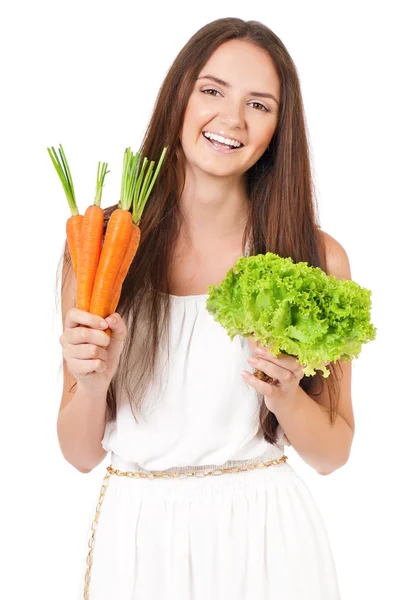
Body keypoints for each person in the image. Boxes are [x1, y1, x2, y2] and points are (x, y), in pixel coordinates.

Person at [57, 17, 354, 600]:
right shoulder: (100, 248)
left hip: (269, 539)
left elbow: (333, 453)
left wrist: (285, 393)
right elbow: (78, 454)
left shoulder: (313, 258)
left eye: (259, 104)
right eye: (212, 91)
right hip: (138, 541)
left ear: (278, 128)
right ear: (180, 97)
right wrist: (93, 384)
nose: (231, 120)